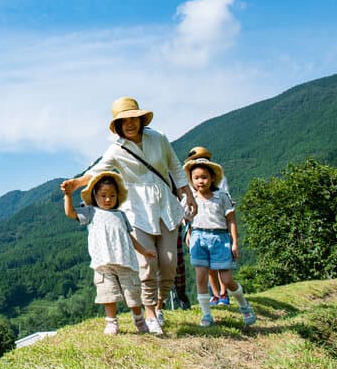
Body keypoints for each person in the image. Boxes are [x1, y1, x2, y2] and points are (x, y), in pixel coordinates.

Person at [61, 97, 197, 335]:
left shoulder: (159, 138)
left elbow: (175, 166)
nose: (130, 124)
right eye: (124, 121)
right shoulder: (117, 149)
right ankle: (150, 313)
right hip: (136, 209)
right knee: (146, 264)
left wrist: (188, 193)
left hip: (165, 204)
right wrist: (76, 183)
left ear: (141, 119)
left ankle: (160, 305)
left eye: (133, 118)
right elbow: (98, 170)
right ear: (118, 125)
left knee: (168, 264)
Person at [62, 171, 157, 335]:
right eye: (103, 195)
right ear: (94, 196)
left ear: (118, 196)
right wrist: (68, 195)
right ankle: (111, 322)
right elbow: (70, 213)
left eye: (112, 195)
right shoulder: (91, 212)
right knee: (108, 294)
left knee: (132, 294)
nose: (108, 199)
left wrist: (144, 251)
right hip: (103, 262)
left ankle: (139, 319)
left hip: (125, 261)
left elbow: (129, 236)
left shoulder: (121, 215)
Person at [183, 158, 256, 327]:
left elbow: (231, 220)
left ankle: (244, 306)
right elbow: (186, 219)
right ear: (191, 180)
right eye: (196, 178)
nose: (201, 181)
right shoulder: (190, 198)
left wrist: (234, 243)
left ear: (212, 178)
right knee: (201, 277)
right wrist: (188, 232)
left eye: (204, 177)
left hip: (220, 238)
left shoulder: (221, 197)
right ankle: (206, 314)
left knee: (227, 279)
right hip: (198, 238)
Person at [184, 147, 232, 306]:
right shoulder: (191, 182)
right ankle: (215, 295)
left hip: (217, 225)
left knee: (221, 265)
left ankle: (224, 294)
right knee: (207, 265)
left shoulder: (219, 179)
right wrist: (189, 232)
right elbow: (189, 210)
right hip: (199, 227)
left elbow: (226, 199)